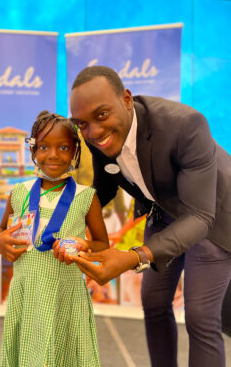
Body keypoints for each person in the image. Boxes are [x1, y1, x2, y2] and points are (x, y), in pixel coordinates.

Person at [68, 66, 231, 367]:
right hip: (166, 212)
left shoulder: (186, 125)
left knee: (199, 316)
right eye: (83, 124)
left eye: (101, 115)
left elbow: (199, 216)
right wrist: (61, 220)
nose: (94, 132)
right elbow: (101, 192)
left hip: (213, 217)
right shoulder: (98, 136)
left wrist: (133, 256)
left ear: (127, 99)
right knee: (154, 303)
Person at [0, 111, 109, 367]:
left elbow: (102, 243)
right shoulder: (19, 193)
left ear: (75, 152)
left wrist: (85, 245)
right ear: (33, 151)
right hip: (27, 294)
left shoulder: (86, 197)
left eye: (63, 147)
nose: (53, 154)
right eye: (44, 146)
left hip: (65, 294)